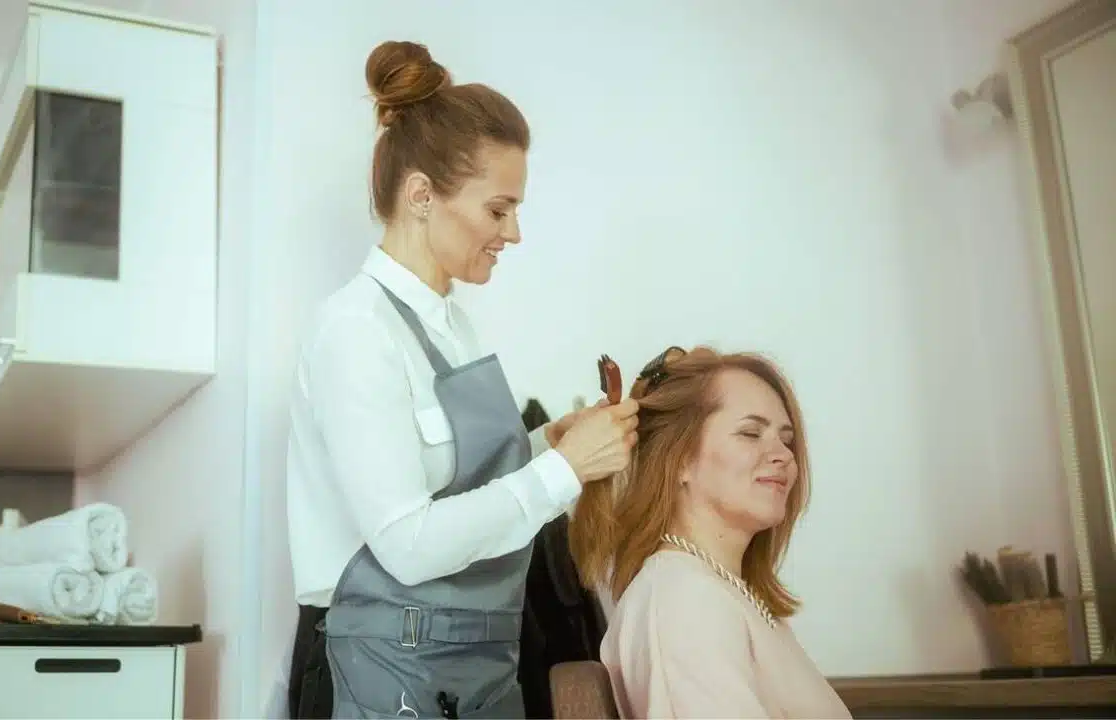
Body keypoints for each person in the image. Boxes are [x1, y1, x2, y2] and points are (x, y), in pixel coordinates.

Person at [285, 40, 640, 720]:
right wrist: (562, 471)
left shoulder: (454, 326)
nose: (514, 233)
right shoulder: (355, 331)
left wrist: (545, 443)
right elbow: (407, 544)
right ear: (421, 196)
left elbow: (458, 487)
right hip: (376, 671)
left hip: (467, 667)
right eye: (498, 209)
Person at [569, 346, 850, 719]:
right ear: (680, 459)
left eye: (786, 439)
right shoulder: (683, 600)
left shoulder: (725, 592)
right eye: (751, 433)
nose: (783, 454)